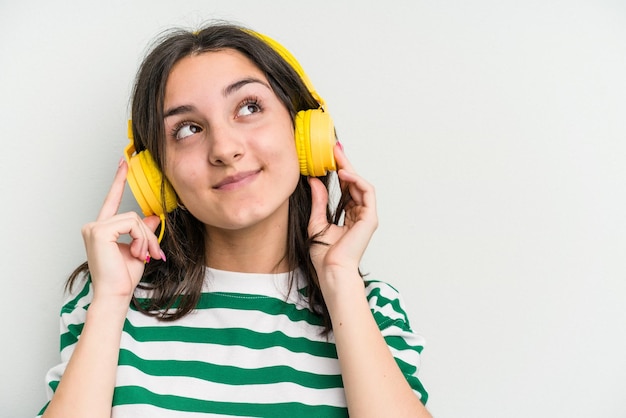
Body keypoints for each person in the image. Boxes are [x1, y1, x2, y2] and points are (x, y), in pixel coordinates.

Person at [38, 22, 431, 418]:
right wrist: (111, 300)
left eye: (249, 108)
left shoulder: (372, 308)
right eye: (187, 129)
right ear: (156, 176)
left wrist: (339, 281)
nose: (224, 149)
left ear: (304, 132)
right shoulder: (106, 298)